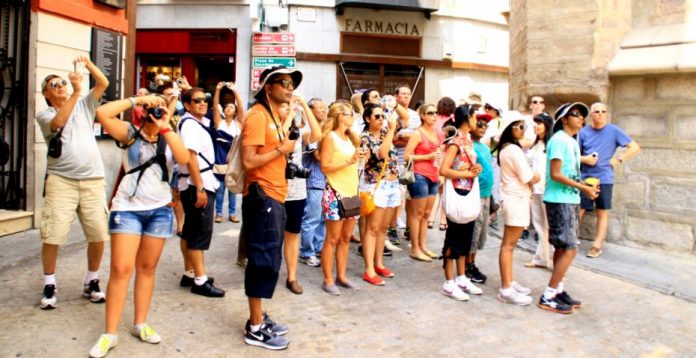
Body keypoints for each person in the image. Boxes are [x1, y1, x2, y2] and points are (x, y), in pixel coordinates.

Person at [88, 95, 190, 358]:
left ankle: (140, 323)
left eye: (159, 107)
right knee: (121, 269)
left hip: (159, 211)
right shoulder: (129, 133)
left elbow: (183, 159)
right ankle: (109, 333)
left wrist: (165, 124)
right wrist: (137, 99)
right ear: (142, 112)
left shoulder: (170, 136)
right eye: (150, 108)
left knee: (147, 268)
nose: (154, 111)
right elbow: (102, 113)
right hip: (127, 210)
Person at [35, 56, 109, 310]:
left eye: (62, 82)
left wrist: (88, 64)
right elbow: (58, 123)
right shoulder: (45, 114)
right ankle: (49, 283)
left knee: (98, 232)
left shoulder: (85, 104)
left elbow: (103, 82)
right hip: (61, 181)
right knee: (53, 234)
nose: (60, 86)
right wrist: (76, 92)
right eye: (53, 85)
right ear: (46, 93)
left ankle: (92, 279)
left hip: (92, 180)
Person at [240, 66, 300, 349]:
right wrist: (281, 151)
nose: (290, 88)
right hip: (262, 195)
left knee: (268, 258)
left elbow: (279, 142)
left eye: (291, 84)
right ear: (268, 88)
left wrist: (287, 123)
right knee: (262, 259)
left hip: (274, 194)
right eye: (284, 83)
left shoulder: (271, 115)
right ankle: (255, 327)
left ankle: (259, 316)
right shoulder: (256, 116)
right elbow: (249, 161)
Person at [538, 102, 598, 314]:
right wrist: (583, 187)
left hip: (569, 200)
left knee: (562, 247)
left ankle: (558, 289)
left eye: (583, 114)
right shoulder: (559, 140)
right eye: (575, 114)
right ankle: (548, 295)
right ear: (564, 119)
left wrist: (585, 186)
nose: (581, 117)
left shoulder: (571, 141)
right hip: (559, 200)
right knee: (570, 248)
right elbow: (555, 174)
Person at [176, 87, 225, 297]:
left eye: (204, 100)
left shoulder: (197, 123)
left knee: (190, 230)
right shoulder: (190, 126)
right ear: (187, 105)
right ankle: (199, 280)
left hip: (196, 181)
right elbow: (191, 157)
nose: (202, 103)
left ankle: (190, 272)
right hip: (198, 182)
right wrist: (200, 188)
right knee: (199, 232)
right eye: (197, 101)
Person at [578, 102, 640, 258]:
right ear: (591, 115)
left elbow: (634, 147)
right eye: (596, 111)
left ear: (606, 113)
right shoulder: (583, 132)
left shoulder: (613, 130)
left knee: (602, 212)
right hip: (585, 178)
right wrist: (585, 160)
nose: (599, 114)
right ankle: (569, 239)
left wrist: (618, 159)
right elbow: (574, 156)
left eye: (603, 111)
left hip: (605, 177)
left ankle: (597, 245)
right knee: (579, 209)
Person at [493, 111, 540, 306]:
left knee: (508, 245)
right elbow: (528, 177)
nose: (523, 129)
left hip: (515, 198)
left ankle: (509, 282)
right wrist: (535, 175)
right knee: (508, 245)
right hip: (516, 198)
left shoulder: (508, 149)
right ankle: (506, 288)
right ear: (510, 129)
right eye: (520, 126)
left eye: (524, 126)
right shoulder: (512, 150)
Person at [319, 101, 366, 295]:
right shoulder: (330, 137)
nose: (353, 116)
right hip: (334, 191)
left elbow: (354, 164)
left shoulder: (350, 138)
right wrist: (350, 160)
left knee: (346, 237)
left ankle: (342, 276)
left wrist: (361, 157)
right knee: (332, 238)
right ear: (339, 116)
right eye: (350, 113)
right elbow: (325, 166)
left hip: (351, 191)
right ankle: (328, 279)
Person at [438, 105, 484, 301]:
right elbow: (444, 169)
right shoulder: (455, 143)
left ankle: (462, 276)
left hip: (467, 191)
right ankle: (449, 281)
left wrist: (475, 168)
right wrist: (467, 173)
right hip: (458, 193)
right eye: (475, 118)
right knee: (454, 238)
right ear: (468, 118)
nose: (478, 123)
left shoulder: (467, 141)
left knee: (466, 237)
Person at [280, 96, 321, 294]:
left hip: (296, 189)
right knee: (271, 233)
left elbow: (317, 134)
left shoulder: (298, 130)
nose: (288, 109)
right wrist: (289, 113)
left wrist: (304, 106)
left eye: (288, 106)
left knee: (293, 233)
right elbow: (280, 137)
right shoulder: (271, 127)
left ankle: (292, 276)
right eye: (282, 106)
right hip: (273, 187)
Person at [359, 103, 400, 285]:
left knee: (383, 228)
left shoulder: (385, 134)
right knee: (373, 228)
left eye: (382, 116)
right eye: (377, 116)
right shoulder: (365, 137)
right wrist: (391, 130)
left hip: (392, 184)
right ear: (368, 119)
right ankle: (368, 269)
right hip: (377, 185)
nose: (381, 119)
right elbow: (382, 153)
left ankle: (378, 263)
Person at [404, 103, 444, 262]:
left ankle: (423, 245)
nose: (434, 115)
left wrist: (440, 172)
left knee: (426, 214)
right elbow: (407, 156)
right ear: (422, 115)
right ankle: (415, 248)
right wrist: (427, 157)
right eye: (430, 113)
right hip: (419, 175)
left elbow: (440, 153)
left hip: (434, 175)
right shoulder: (417, 133)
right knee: (417, 214)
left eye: (436, 113)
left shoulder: (437, 133)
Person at [466, 113, 495, 284]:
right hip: (474, 193)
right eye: (480, 124)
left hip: (486, 194)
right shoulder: (469, 145)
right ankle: (467, 265)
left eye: (485, 125)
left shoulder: (484, 146)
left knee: (480, 232)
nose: (483, 128)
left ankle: (472, 262)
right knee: (473, 231)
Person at [299, 98, 329, 267]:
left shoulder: (326, 129)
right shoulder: (308, 130)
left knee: (323, 218)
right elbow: (318, 155)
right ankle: (306, 252)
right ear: (310, 110)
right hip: (313, 180)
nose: (324, 110)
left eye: (325, 107)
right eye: (320, 107)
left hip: (326, 180)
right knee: (311, 218)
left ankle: (318, 248)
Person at [212, 81, 245, 223]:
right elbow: (214, 107)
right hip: (219, 159)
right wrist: (218, 90)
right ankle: (218, 213)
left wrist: (235, 91)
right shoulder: (219, 122)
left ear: (235, 111)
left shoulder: (238, 124)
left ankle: (232, 213)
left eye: (232, 107)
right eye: (226, 107)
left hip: (233, 160)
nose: (228, 108)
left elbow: (242, 107)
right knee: (219, 190)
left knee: (232, 189)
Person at [525, 112, 554, 269]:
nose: (536, 126)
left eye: (539, 123)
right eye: (535, 123)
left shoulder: (551, 145)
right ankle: (541, 258)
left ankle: (555, 259)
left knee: (549, 224)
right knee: (539, 224)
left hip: (547, 188)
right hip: (535, 189)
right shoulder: (535, 145)